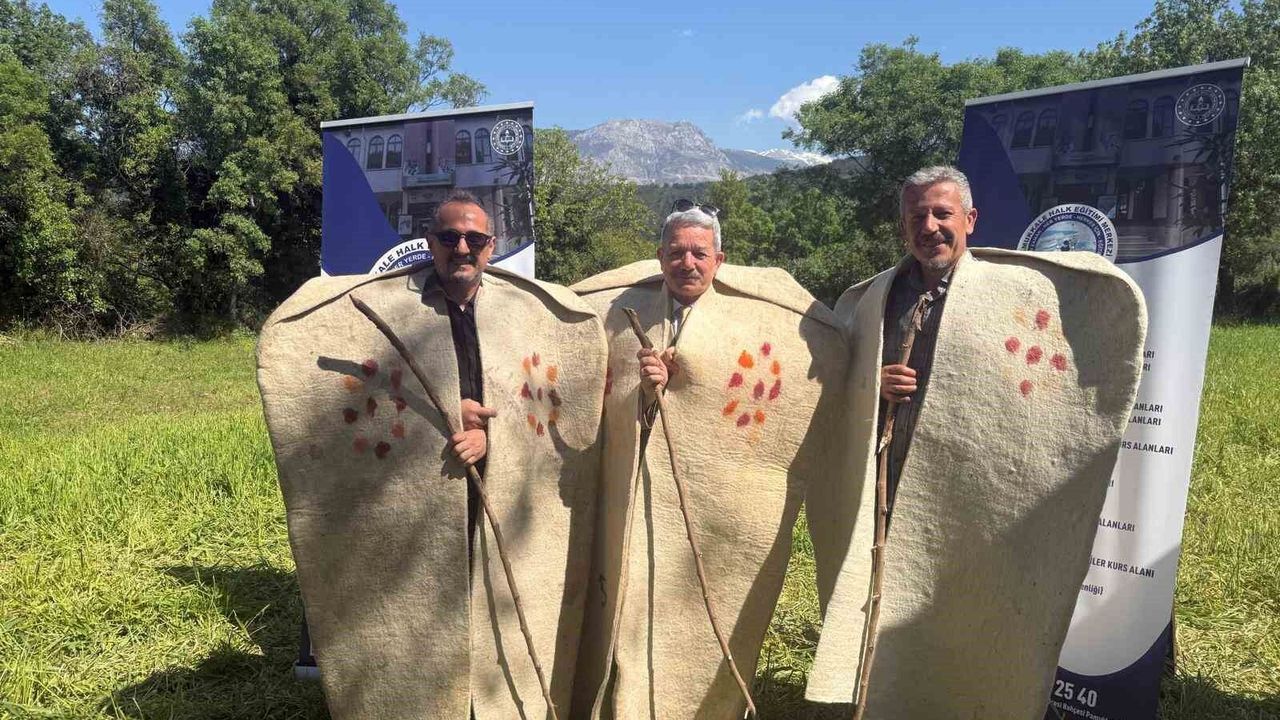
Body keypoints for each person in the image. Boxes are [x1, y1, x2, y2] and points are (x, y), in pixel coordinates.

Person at [804, 167, 1148, 718]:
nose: (930, 227)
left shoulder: (1005, 294)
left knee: (957, 602)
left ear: (970, 220)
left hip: (962, 486)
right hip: (884, 474)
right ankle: (882, 699)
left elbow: (1036, 395)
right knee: (882, 594)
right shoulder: (870, 300)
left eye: (942, 213)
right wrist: (874, 382)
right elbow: (834, 377)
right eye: (917, 216)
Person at [257, 191, 608, 719]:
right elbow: (357, 393)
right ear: (430, 242)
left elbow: (540, 403)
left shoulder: (520, 314)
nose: (461, 248)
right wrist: (442, 414)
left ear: (491, 246)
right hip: (419, 497)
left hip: (499, 490)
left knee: (493, 597)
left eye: (474, 239)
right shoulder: (391, 307)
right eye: (449, 237)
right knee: (426, 606)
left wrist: (493, 436)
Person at [570, 201, 850, 719]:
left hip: (715, 509)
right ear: (659, 257)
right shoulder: (621, 316)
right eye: (676, 253)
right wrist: (646, 391)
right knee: (626, 605)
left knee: (703, 613)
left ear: (719, 260)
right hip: (630, 495)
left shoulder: (758, 322)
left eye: (700, 253)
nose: (688, 263)